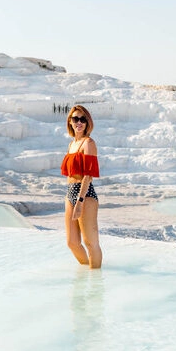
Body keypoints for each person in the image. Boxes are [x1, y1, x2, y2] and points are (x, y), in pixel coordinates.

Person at [61, 105, 102, 269]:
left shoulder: (88, 143)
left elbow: (88, 175)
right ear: (70, 121)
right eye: (75, 119)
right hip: (70, 192)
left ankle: (96, 278)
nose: (79, 122)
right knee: (72, 242)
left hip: (85, 194)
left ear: (87, 122)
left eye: (83, 119)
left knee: (90, 242)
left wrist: (80, 201)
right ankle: (87, 270)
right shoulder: (72, 144)